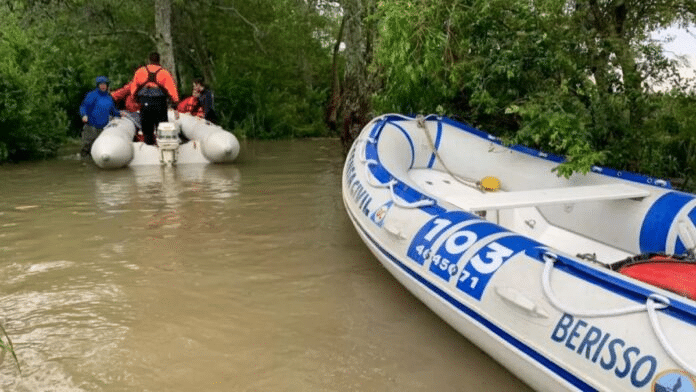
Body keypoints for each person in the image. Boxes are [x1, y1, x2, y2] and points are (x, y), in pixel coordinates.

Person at [130, 52, 179, 145]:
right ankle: (163, 147)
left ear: (149, 60)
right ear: (159, 60)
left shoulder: (140, 71)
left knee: (147, 128)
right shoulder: (164, 73)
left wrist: (135, 99)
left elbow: (133, 88)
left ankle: (148, 145)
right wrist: (175, 103)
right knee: (162, 127)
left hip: (145, 103)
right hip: (160, 103)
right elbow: (172, 90)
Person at [79, 76, 120, 158]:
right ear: (98, 85)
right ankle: (84, 163)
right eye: (101, 84)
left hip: (103, 128)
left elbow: (113, 110)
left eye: (105, 84)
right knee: (87, 146)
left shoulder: (109, 98)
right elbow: (84, 106)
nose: (103, 86)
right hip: (91, 126)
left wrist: (120, 115)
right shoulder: (92, 95)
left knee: (99, 147)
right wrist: (84, 115)